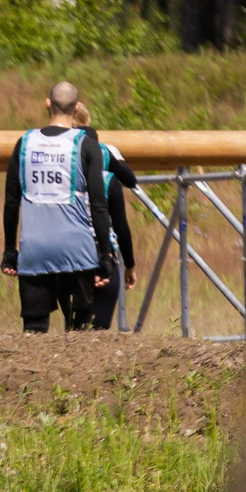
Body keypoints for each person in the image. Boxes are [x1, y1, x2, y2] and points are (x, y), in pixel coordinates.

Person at [3, 81, 115, 331]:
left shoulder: (24, 143)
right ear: (76, 108)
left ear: (47, 104)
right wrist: (105, 254)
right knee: (80, 332)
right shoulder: (87, 145)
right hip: (77, 252)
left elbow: (11, 202)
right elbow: (98, 205)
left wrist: (10, 250)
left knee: (34, 331)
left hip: (34, 251)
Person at [73, 99, 139, 330]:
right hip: (103, 250)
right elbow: (130, 180)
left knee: (71, 333)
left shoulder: (61, 153)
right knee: (98, 334)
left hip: (67, 251)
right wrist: (129, 264)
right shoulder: (105, 153)